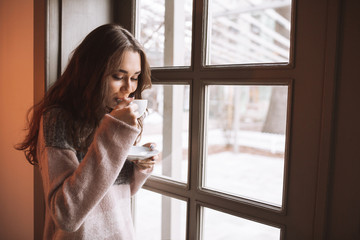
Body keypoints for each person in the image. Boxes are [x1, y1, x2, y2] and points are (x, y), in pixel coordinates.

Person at [16, 24, 158, 239]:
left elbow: (116, 194)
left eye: (135, 77)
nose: (129, 88)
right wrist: (116, 132)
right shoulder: (58, 119)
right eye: (119, 76)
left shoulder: (113, 116)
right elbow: (67, 215)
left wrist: (139, 169)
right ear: (92, 73)